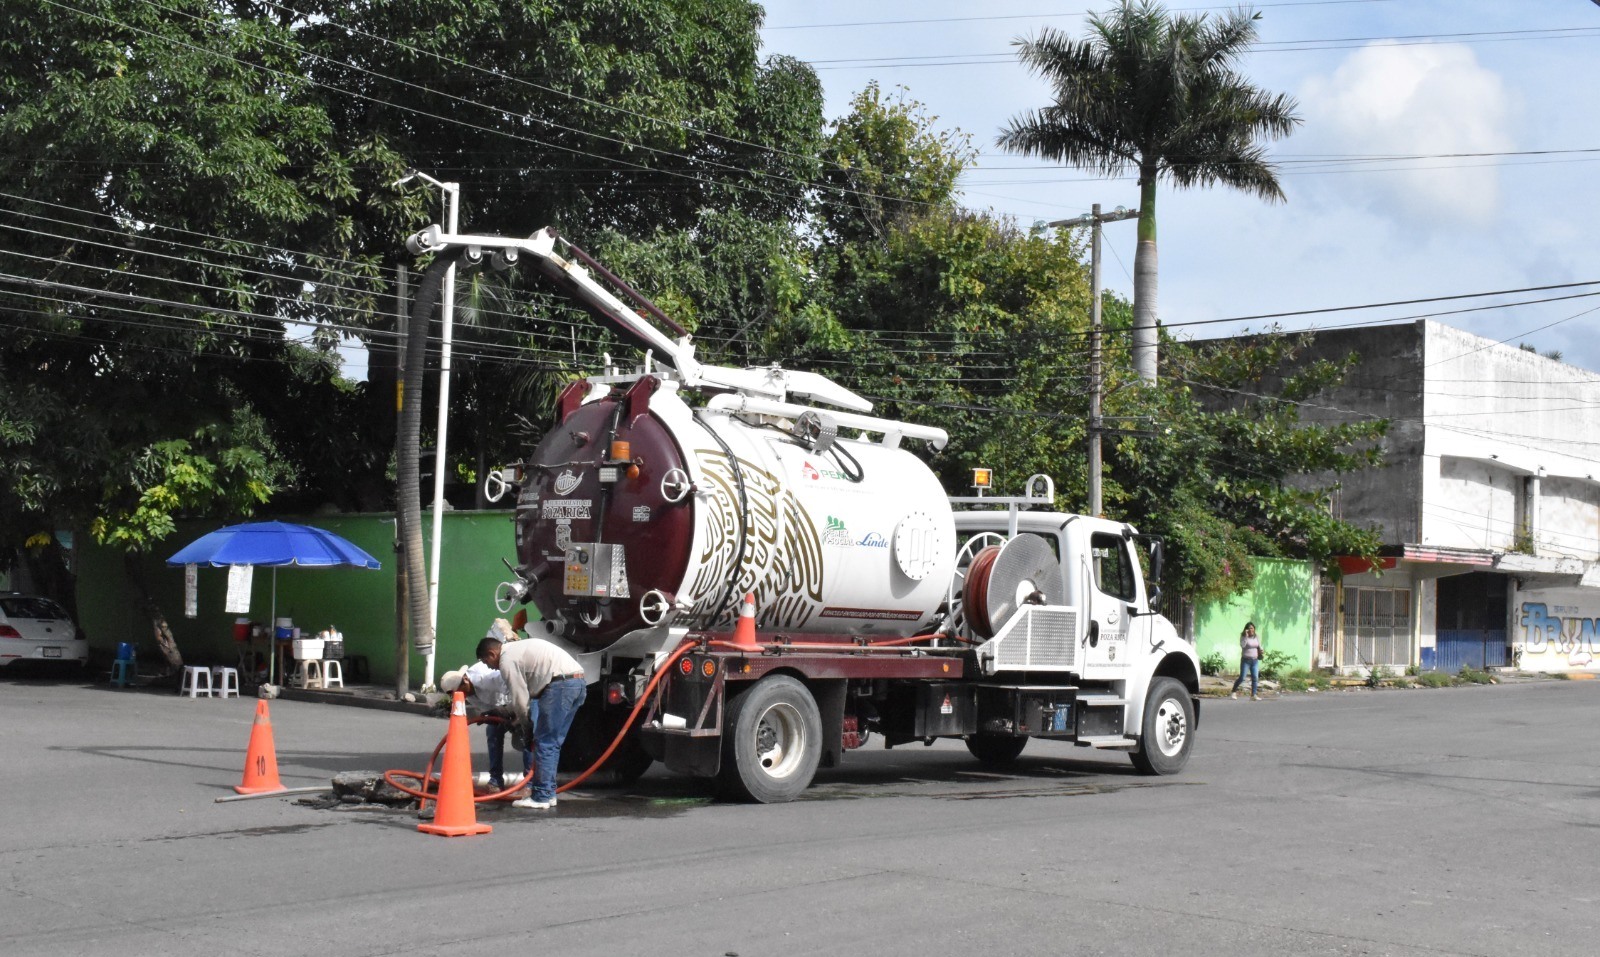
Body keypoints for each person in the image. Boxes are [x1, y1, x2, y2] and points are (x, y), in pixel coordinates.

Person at [442, 634, 587, 810]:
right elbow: (521, 697)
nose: (488, 667)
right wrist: (505, 713)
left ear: (492, 654)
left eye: (486, 662)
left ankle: (540, 796)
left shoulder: (506, 660)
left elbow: (520, 698)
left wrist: (525, 728)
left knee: (543, 742)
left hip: (560, 686)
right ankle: (548, 794)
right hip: (576, 682)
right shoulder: (514, 652)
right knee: (552, 743)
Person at [462, 635, 533, 794]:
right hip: (502, 708)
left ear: (466, 681)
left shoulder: (485, 676)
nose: (489, 666)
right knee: (493, 731)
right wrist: (495, 717)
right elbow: (487, 707)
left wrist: (514, 713)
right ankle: (495, 780)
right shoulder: (468, 694)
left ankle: (530, 783)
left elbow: (512, 686)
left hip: (517, 700)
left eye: (487, 661)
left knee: (527, 734)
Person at [1231, 622, 1263, 700]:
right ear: (1246, 629)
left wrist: (1261, 650)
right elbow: (1243, 645)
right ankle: (1233, 691)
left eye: (1252, 628)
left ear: (1254, 629)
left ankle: (1253, 695)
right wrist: (1246, 636)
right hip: (1246, 660)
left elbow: (1259, 645)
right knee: (1242, 677)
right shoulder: (1243, 636)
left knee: (1255, 678)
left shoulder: (1256, 636)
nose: (1250, 630)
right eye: (1249, 628)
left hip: (1255, 660)